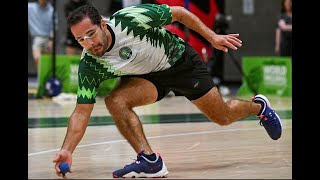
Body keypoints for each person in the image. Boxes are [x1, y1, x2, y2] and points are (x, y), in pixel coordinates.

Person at [52, 4, 282, 178]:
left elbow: (179, 13)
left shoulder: (130, 20)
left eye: (91, 34)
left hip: (180, 63)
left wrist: (212, 37)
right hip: (149, 77)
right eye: (80, 39)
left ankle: (258, 107)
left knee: (222, 116)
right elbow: (81, 111)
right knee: (116, 101)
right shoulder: (90, 64)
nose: (88, 43)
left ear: (103, 23)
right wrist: (67, 149)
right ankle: (150, 160)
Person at [28, 0, 56, 71]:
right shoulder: (30, 7)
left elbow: (54, 25)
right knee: (37, 58)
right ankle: (41, 79)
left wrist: (51, 39)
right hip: (37, 38)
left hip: (48, 38)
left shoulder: (51, 10)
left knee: (49, 62)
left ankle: (46, 78)